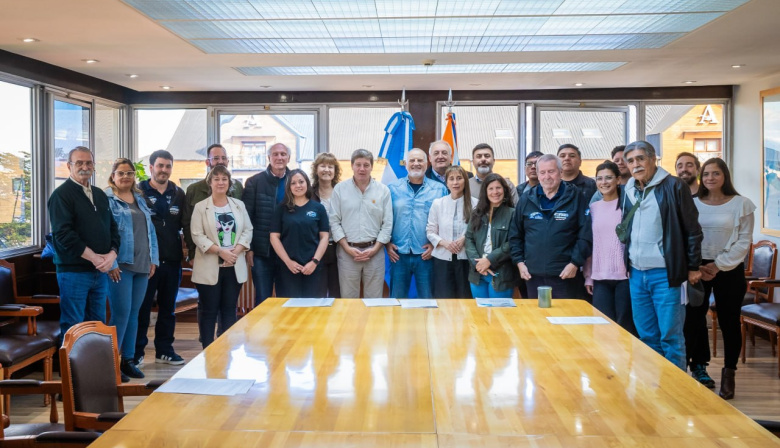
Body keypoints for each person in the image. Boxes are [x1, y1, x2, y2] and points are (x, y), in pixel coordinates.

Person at [622, 140, 702, 370]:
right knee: (647, 337)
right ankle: (654, 387)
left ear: (652, 158)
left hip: (666, 274)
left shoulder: (674, 186)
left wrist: (693, 266)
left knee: (671, 337)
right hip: (636, 273)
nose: (635, 164)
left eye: (640, 158)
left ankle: (676, 389)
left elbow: (692, 230)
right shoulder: (628, 188)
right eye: (630, 161)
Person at [694, 158, 754, 400]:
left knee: (729, 323)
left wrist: (717, 266)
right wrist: (696, 265)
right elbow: (686, 236)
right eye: (706, 173)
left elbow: (743, 241)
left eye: (716, 173)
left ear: (725, 176)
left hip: (729, 270)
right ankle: (699, 367)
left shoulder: (742, 204)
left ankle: (729, 373)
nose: (710, 178)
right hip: (697, 269)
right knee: (695, 320)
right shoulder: (692, 203)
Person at [48, 146, 119, 344]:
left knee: (97, 326)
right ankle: (71, 366)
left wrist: (112, 255)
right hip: (73, 273)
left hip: (100, 272)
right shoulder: (61, 195)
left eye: (88, 163)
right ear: (69, 166)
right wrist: (95, 258)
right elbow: (63, 235)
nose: (84, 167)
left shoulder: (99, 194)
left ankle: (95, 365)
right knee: (74, 327)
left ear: (94, 166)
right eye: (79, 163)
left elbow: (113, 229)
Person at [105, 158, 159, 381]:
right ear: (113, 176)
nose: (125, 177)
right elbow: (104, 233)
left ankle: (128, 360)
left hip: (142, 265)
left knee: (134, 313)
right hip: (121, 266)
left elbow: (150, 231)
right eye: (121, 173)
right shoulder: (108, 199)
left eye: (129, 173)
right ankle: (110, 364)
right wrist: (111, 263)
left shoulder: (139, 199)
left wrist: (153, 259)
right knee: (121, 314)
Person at [510, 154, 591, 299]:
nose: (547, 176)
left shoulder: (575, 196)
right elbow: (515, 235)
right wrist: (520, 263)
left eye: (551, 171)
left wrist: (574, 263)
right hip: (532, 275)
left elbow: (585, 234)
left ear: (560, 172)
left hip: (565, 275)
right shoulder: (526, 199)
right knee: (536, 313)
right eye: (542, 172)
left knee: (564, 313)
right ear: (538, 174)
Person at [189, 165, 253, 348]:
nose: (220, 182)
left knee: (229, 310)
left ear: (229, 183)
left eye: (224, 179)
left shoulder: (239, 205)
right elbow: (197, 234)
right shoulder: (201, 207)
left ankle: (226, 350)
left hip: (234, 266)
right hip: (209, 267)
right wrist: (220, 251)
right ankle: (207, 350)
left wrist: (236, 251)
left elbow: (248, 230)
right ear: (210, 182)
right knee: (209, 311)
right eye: (216, 179)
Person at [135, 150, 186, 367]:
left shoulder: (178, 193)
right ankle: (136, 352)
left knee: (168, 309)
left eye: (168, 166)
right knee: (142, 309)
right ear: (151, 167)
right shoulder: (138, 191)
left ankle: (164, 350)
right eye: (160, 166)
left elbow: (185, 225)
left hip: (172, 261)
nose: (164, 170)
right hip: (146, 263)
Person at [329, 149, 393, 298]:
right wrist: (347, 248)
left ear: (372, 167)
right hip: (347, 253)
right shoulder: (340, 189)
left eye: (366, 165)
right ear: (352, 165)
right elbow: (334, 221)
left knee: (374, 300)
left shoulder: (383, 191)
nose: (362, 169)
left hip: (375, 252)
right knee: (348, 299)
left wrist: (375, 249)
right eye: (358, 164)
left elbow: (387, 224)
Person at [584, 161, 636, 335]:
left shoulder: (627, 207)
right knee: (603, 327)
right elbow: (591, 244)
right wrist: (588, 276)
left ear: (618, 180)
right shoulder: (593, 208)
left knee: (624, 327)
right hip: (600, 276)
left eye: (608, 178)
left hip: (625, 276)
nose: (603, 182)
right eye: (599, 178)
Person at [387, 149, 447, 298]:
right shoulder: (392, 188)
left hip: (426, 255)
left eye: (420, 160)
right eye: (412, 160)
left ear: (426, 164)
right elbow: (384, 219)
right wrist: (387, 243)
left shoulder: (439, 189)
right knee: (397, 301)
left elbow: (445, 221)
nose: (416, 163)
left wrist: (435, 245)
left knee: (428, 302)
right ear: (406, 164)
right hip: (398, 254)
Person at [677, 152, 713, 386]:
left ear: (697, 169)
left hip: (705, 266)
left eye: (689, 165)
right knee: (682, 319)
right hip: (681, 265)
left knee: (697, 317)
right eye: (680, 165)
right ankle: (681, 366)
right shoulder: (674, 195)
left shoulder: (707, 197)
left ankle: (699, 365)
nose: (684, 169)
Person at [244, 142, 291, 306]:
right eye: (275, 154)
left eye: (283, 154)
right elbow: (247, 218)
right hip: (262, 252)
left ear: (288, 158)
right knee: (263, 300)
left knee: (287, 300)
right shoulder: (254, 182)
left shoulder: (296, 181)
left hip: (289, 251)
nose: (279, 157)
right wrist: (249, 248)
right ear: (269, 158)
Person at [270, 170, 329, 298]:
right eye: (293, 183)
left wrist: (314, 262)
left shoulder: (318, 208)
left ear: (307, 183)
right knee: (289, 307)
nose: (298, 185)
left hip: (313, 267)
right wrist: (288, 262)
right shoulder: (281, 209)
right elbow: (274, 237)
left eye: (301, 182)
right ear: (288, 187)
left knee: (313, 307)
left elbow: (324, 237)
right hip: (288, 268)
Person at [183, 144, 243, 265]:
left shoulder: (237, 187)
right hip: (203, 253)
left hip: (233, 254)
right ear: (207, 162)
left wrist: (238, 250)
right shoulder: (194, 190)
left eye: (223, 158)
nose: (220, 161)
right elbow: (187, 223)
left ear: (228, 161)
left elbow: (244, 222)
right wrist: (192, 252)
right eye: (216, 158)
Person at [465, 173, 518, 298]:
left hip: (501, 274)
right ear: (485, 192)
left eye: (498, 188)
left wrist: (489, 260)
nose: (495, 192)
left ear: (504, 190)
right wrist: (478, 264)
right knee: (479, 310)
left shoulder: (513, 214)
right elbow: (469, 239)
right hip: (478, 274)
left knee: (498, 310)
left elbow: (513, 242)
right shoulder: (476, 213)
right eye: (491, 188)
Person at [427, 165, 475, 299]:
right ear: (446, 183)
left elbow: (478, 230)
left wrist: (464, 239)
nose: (455, 182)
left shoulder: (475, 204)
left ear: (465, 181)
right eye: (451, 179)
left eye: (459, 178)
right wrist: (445, 243)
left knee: (465, 298)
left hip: (465, 259)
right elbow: (430, 231)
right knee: (444, 299)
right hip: (442, 259)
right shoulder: (438, 203)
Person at [311, 152, 342, 298]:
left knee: (337, 293)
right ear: (316, 169)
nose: (327, 170)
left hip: (339, 247)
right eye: (323, 166)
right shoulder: (309, 193)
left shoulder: (342, 192)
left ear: (335, 171)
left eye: (330, 167)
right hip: (315, 248)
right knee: (318, 293)